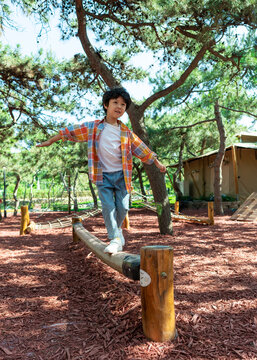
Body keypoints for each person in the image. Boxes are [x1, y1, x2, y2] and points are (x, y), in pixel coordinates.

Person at [37, 87, 166, 254]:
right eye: (115, 103)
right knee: (108, 207)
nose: (119, 106)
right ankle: (114, 238)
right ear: (106, 105)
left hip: (122, 176)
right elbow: (69, 131)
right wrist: (50, 141)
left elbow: (142, 149)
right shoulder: (93, 127)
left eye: (123, 104)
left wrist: (157, 163)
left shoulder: (126, 133)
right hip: (102, 176)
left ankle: (117, 231)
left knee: (123, 207)